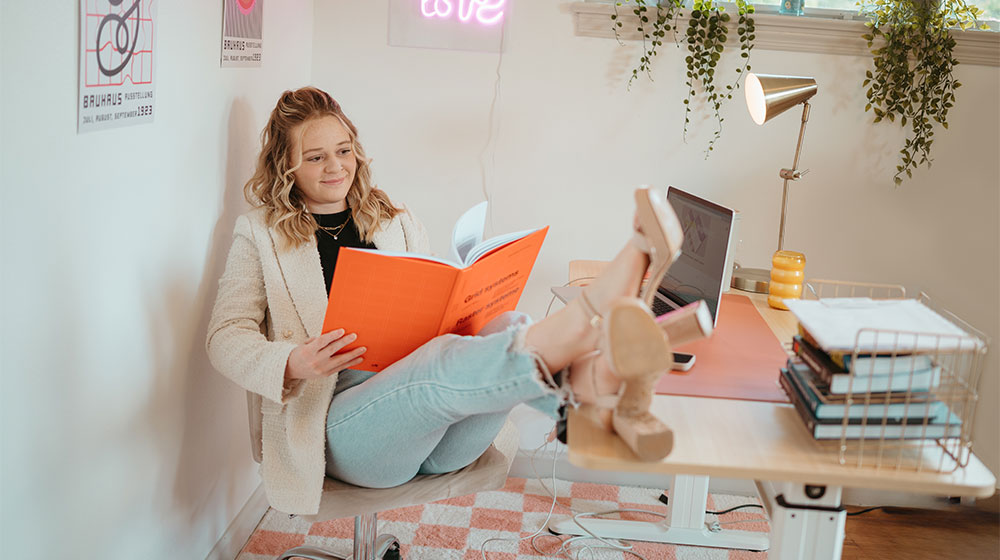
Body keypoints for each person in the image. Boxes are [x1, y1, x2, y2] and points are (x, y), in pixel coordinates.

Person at [206, 86, 680, 515]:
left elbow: (432, 307)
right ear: (285, 166)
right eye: (315, 157)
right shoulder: (260, 233)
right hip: (341, 430)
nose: (336, 167)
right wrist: (292, 361)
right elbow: (224, 336)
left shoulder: (395, 218)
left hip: (436, 432)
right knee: (440, 359)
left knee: (508, 321)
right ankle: (587, 347)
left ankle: (586, 379)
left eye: (344, 150)